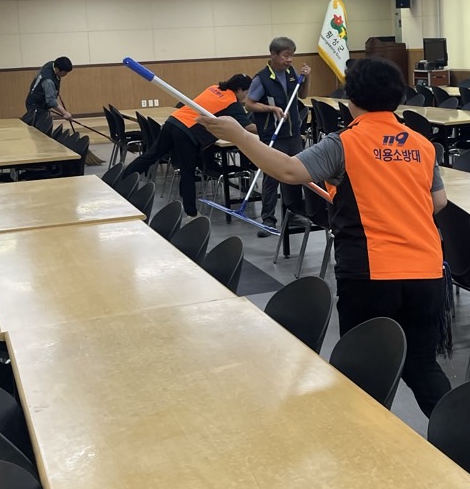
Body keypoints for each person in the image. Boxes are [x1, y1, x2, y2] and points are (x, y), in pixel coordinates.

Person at [200, 57, 451, 417]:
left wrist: (240, 136)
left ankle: (364, 439)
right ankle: (461, 441)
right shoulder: (421, 144)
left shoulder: (346, 142)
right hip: (426, 271)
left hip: (371, 273)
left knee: (362, 370)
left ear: (352, 98)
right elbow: (437, 202)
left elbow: (290, 171)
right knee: (421, 365)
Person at [122, 74, 256, 217]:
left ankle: (121, 181)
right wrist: (268, 130)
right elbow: (248, 127)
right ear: (239, 89)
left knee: (150, 156)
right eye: (246, 93)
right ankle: (191, 213)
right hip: (186, 133)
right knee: (187, 173)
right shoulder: (232, 103)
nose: (246, 97)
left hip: (172, 122)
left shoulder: (214, 88)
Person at [243, 37, 311, 234]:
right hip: (272, 133)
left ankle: (294, 213)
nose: (289, 60)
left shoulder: (291, 72)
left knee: (295, 174)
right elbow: (249, 104)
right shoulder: (262, 78)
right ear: (273, 54)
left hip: (293, 133)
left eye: (292, 56)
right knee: (272, 177)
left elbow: (303, 95)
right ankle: (268, 220)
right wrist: (271, 108)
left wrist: (307, 77)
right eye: (285, 56)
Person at [25, 56, 74, 121]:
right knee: (40, 125)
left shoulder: (53, 64)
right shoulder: (48, 80)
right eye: (65, 72)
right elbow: (51, 101)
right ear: (57, 69)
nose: (66, 74)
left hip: (42, 104)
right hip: (35, 105)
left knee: (45, 121)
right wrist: (64, 113)